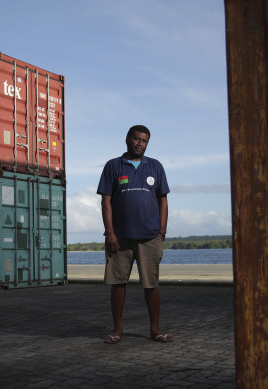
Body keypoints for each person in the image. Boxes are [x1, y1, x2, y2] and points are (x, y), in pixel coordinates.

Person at [96, 124, 173, 344]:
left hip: (150, 236)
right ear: (128, 139)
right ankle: (117, 330)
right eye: (137, 139)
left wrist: (162, 229)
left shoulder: (155, 166)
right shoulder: (113, 166)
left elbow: (163, 199)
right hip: (119, 237)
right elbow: (106, 200)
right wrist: (110, 232)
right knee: (118, 283)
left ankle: (155, 329)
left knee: (151, 284)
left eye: (144, 140)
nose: (140, 143)